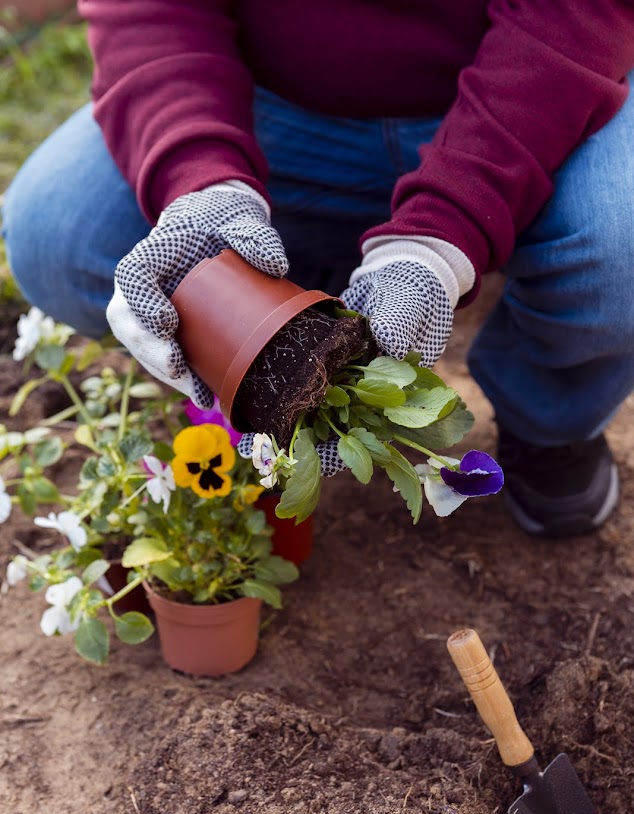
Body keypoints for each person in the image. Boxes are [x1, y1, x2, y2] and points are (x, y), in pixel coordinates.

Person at [4, 2, 634, 538]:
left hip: (531, 88)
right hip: (275, 104)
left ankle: (550, 416)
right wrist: (202, 182)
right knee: (59, 232)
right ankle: (274, 340)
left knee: (619, 249)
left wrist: (438, 241)